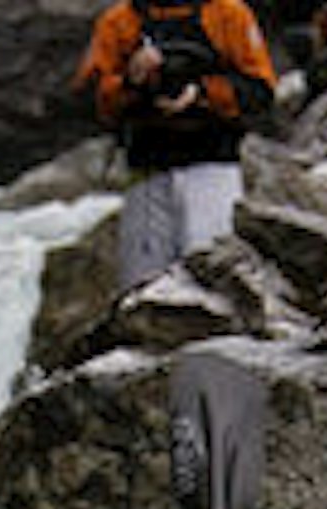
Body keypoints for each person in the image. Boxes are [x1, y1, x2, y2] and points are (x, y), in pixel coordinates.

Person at [73, 0, 277, 291]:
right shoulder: (119, 21)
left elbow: (260, 91)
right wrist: (133, 81)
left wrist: (200, 93)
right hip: (147, 173)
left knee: (214, 281)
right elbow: (90, 97)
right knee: (142, 289)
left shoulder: (228, 14)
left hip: (213, 170)